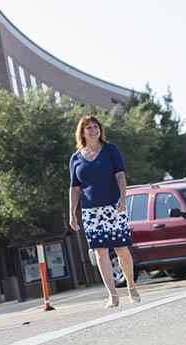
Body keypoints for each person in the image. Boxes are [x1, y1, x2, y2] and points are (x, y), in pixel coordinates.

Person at [69, 115, 140, 307]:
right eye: (89, 128)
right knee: (100, 252)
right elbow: (75, 188)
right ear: (82, 132)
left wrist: (123, 198)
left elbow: (120, 175)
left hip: (113, 206)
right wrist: (72, 213)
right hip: (90, 212)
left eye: (96, 126)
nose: (93, 130)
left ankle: (131, 286)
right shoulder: (75, 158)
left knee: (121, 248)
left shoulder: (110, 150)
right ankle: (113, 295)